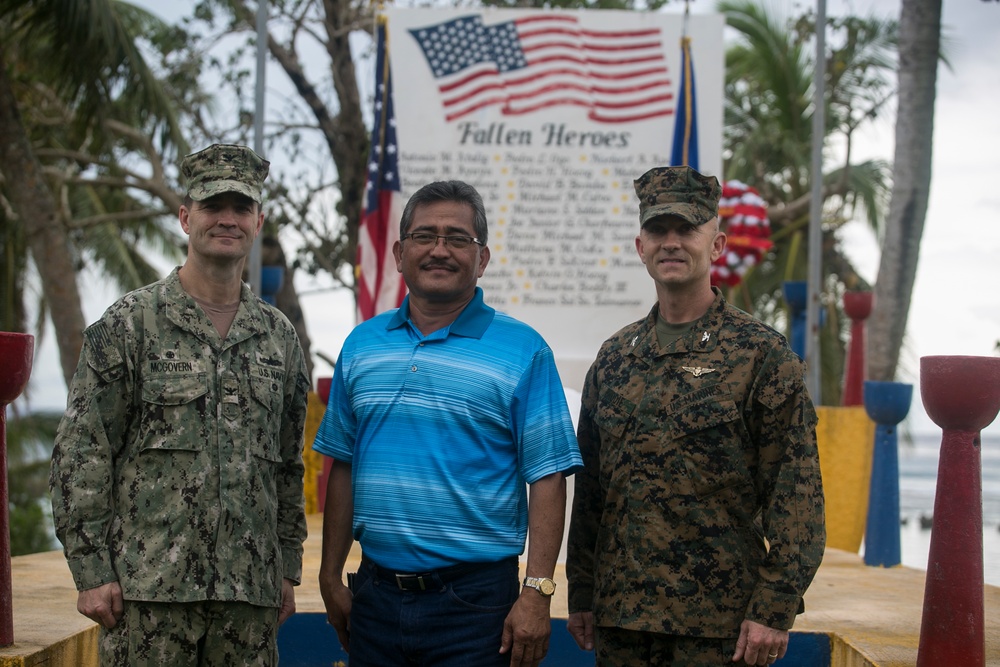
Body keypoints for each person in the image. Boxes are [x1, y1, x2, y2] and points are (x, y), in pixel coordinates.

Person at [49, 143, 310, 666]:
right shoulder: (130, 323)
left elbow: (287, 465)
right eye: (214, 207)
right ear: (186, 218)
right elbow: (83, 451)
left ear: (258, 221)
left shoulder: (278, 337)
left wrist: (286, 567)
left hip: (248, 598)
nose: (227, 220)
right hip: (148, 596)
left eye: (241, 209)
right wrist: (92, 572)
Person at [313, 180, 583, 667]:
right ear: (399, 252)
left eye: (458, 238)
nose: (440, 250)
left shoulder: (524, 351)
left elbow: (548, 477)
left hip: (477, 609)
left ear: (481, 259)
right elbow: (344, 466)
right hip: (374, 600)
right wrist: (330, 576)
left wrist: (538, 592)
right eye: (425, 236)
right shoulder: (361, 345)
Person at [565, 166, 826, 667]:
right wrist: (582, 590)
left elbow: (796, 500)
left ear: (717, 245)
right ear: (640, 247)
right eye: (658, 231)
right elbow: (594, 490)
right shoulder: (616, 357)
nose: (671, 242)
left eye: (687, 229)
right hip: (621, 622)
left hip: (718, 629)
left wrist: (774, 609)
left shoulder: (760, 355)